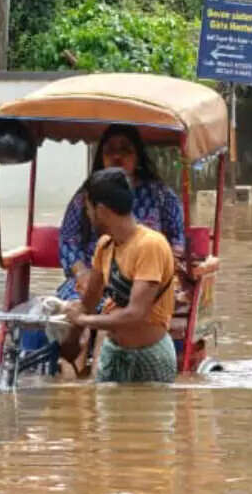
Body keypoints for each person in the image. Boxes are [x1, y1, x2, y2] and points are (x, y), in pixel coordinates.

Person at [63, 168, 179, 384]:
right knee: (107, 417)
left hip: (150, 356)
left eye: (89, 210)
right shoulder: (105, 246)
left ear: (101, 210)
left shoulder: (150, 245)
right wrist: (71, 338)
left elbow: (135, 314)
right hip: (113, 354)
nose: (88, 217)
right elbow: (89, 301)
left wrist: (84, 320)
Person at [55, 124, 184, 305]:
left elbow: (177, 241)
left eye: (125, 150)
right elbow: (68, 240)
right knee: (67, 310)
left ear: (137, 156)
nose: (117, 156)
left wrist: (160, 276)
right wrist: (83, 274)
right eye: (110, 151)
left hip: (145, 277)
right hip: (92, 277)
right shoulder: (86, 196)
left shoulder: (161, 195)